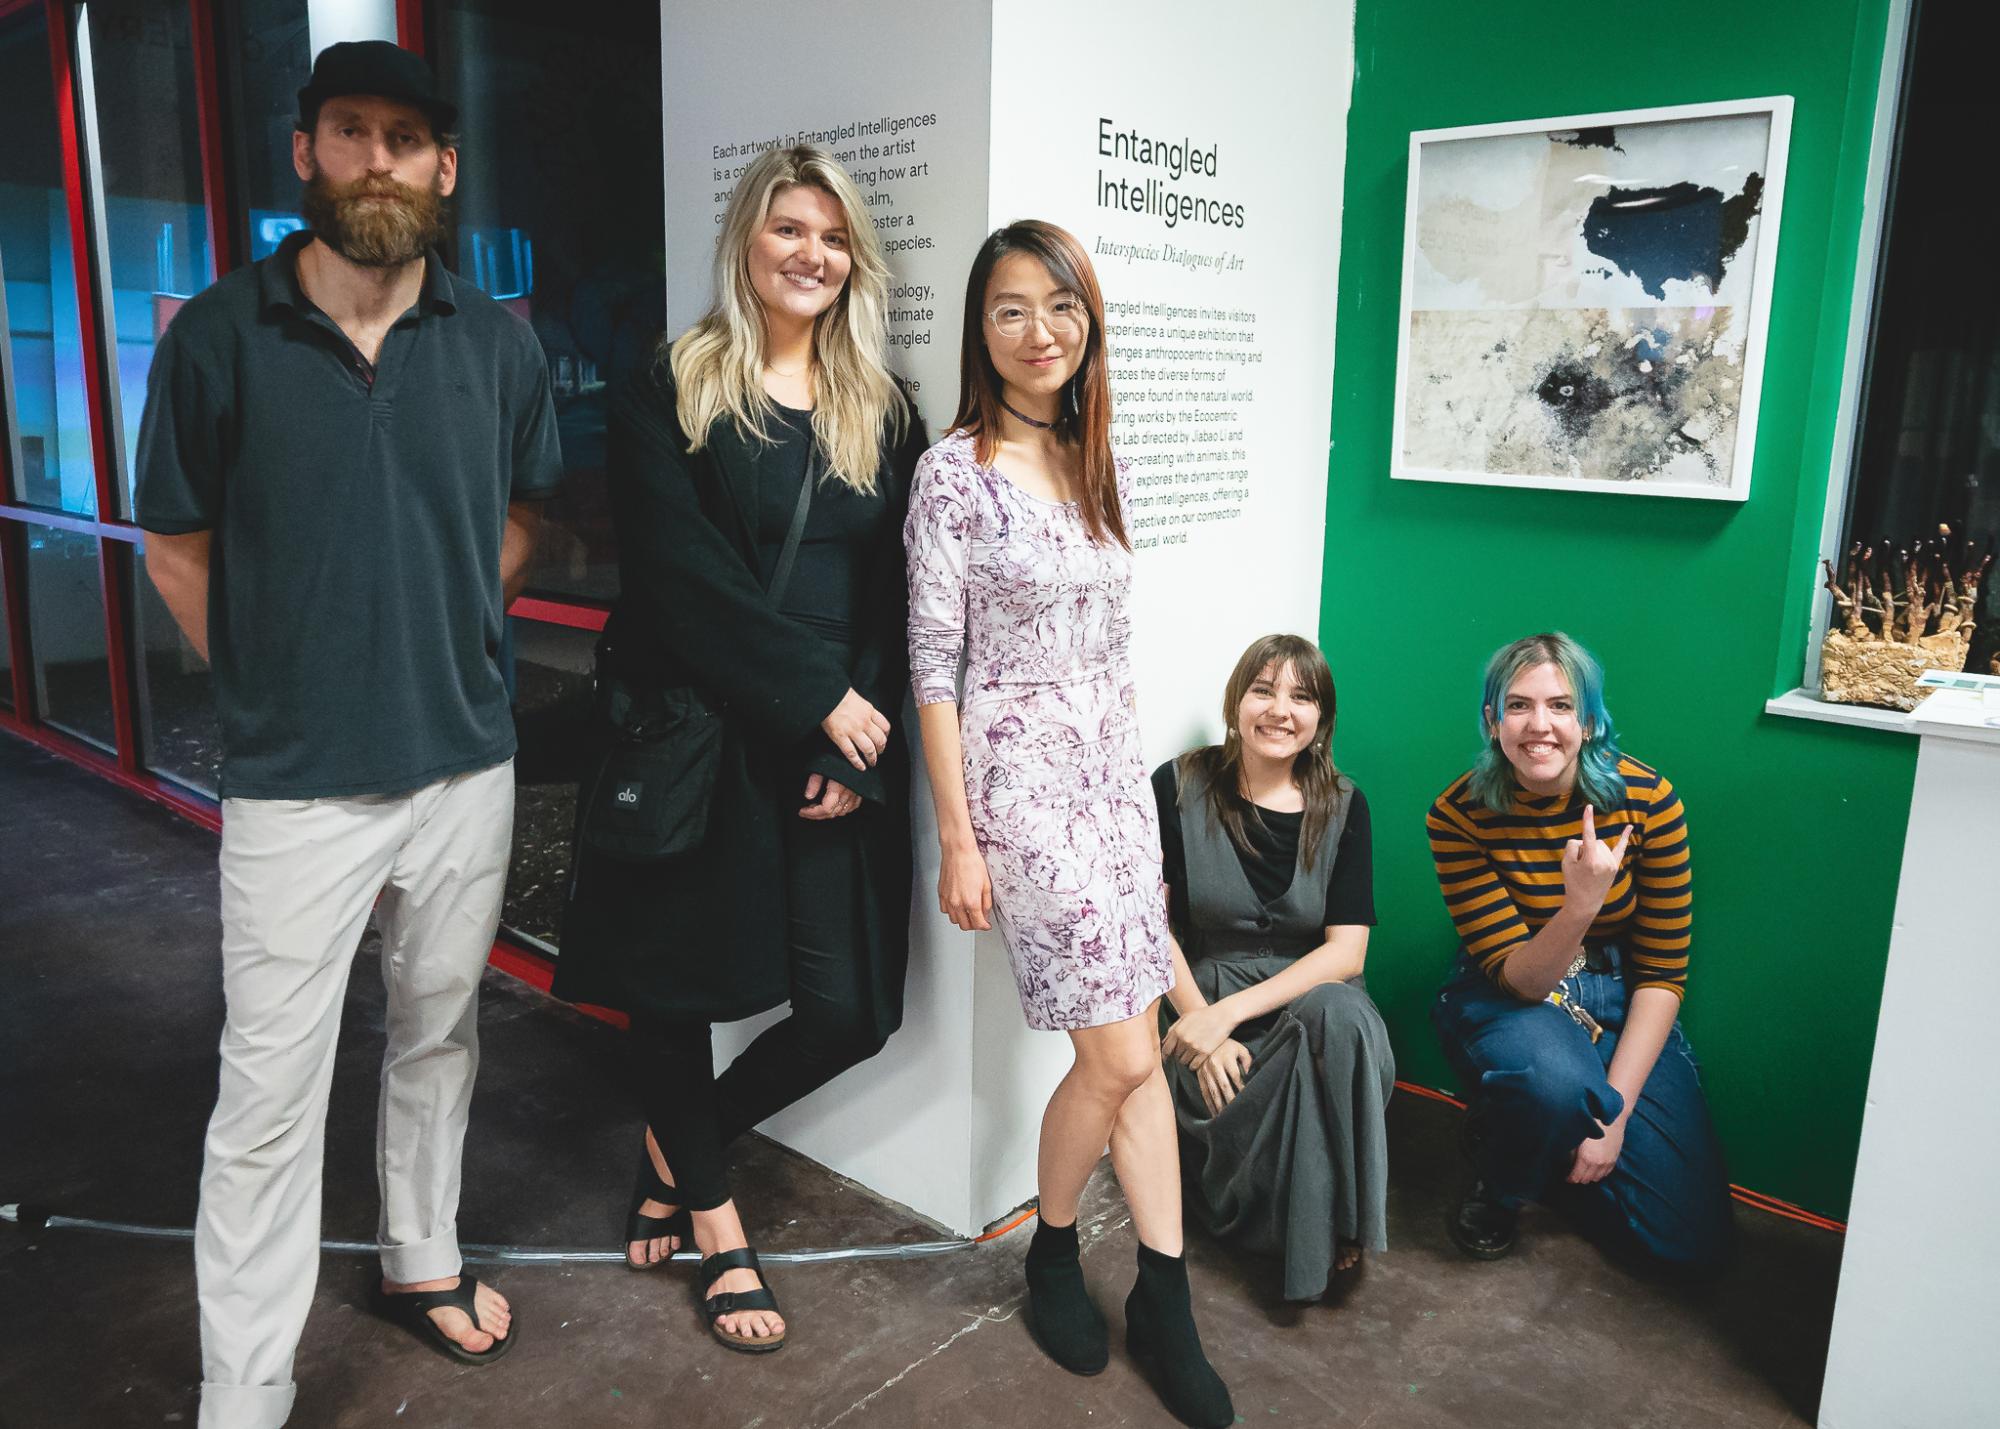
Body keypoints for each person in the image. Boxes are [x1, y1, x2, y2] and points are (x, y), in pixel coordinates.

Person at [134, 40, 561, 1428]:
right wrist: (277, 685)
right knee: (266, 1094)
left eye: (405, 138)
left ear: (444, 166)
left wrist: (435, 633)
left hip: (465, 767)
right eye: (350, 130)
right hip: (298, 789)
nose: (378, 158)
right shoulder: (218, 334)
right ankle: (246, 1388)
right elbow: (177, 547)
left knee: (438, 1034)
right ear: (306, 150)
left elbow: (519, 521)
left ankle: (419, 1259)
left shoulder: (498, 345)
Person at [554, 144, 923, 1354]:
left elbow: (892, 594)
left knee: (849, 1010)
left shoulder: (883, 401)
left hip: (832, 733)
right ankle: (716, 1220)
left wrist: (853, 736)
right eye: (786, 232)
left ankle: (676, 1142)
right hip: (703, 726)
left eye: (830, 237)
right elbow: (674, 576)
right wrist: (813, 694)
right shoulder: (673, 380)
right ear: (746, 246)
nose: (809, 255)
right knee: (670, 985)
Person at [906, 220, 1233, 1429]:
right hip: (1019, 799)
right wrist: (956, 834)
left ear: (1086, 323)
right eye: (1008, 309)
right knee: (1118, 1054)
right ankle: (1050, 1250)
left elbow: (1112, 650)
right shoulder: (955, 474)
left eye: (1060, 307)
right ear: (978, 330)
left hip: (1109, 788)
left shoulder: (1102, 457)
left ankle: (1161, 1291)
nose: (1038, 331)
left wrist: (1130, 800)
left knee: (1134, 1046)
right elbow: (932, 666)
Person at [1428, 632, 1733, 1275]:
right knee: (1554, 1085)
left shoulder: (1648, 800)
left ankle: (1537, 1139)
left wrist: (1613, 1116)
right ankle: (1506, 1177)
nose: (1540, 726)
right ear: (1492, 721)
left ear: (1589, 720)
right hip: (1512, 992)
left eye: (1561, 707)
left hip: (1621, 993)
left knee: (1687, 1244)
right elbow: (1522, 983)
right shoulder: (1459, 815)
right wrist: (1580, 906)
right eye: (1518, 706)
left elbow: (1662, 972)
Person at [1152, 634, 1395, 1302]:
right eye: (1264, 688)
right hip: (1206, 1004)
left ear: (1322, 719)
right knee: (1296, 1074)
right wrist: (1202, 1022)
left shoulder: (1346, 806)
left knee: (1339, 1017)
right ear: (1236, 700)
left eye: (1302, 695)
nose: (1281, 709)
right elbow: (1149, 924)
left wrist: (1229, 1013)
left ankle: (1331, 1223)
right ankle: (1318, 1228)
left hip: (1307, 997)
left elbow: (1346, 954)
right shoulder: (1178, 786)